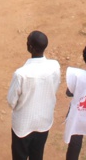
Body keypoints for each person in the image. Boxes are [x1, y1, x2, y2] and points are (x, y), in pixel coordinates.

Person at [8, 31, 60, 160]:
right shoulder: (54, 66)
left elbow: (11, 101)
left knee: (19, 156)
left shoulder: (21, 74)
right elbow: (55, 87)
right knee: (37, 155)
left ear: (30, 47)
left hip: (23, 125)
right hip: (44, 121)